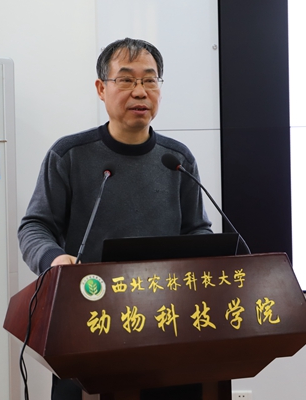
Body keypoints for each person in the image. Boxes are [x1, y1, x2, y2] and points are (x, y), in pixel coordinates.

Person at [18, 38, 213, 400]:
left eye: (150, 80)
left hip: (167, 324)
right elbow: (35, 226)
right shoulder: (69, 155)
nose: (140, 91)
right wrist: (53, 259)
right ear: (101, 89)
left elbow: (196, 229)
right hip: (88, 320)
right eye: (126, 80)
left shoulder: (177, 159)